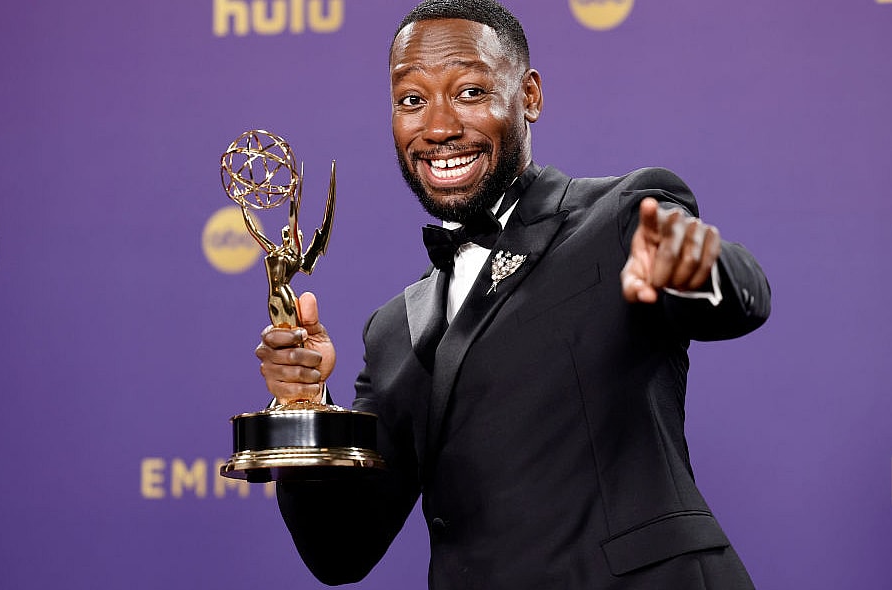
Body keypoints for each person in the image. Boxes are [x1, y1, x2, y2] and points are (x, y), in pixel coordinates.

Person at [254, 1, 770, 587]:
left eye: (470, 92)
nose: (439, 127)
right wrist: (304, 405)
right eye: (412, 100)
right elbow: (340, 552)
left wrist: (694, 268)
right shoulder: (393, 331)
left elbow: (739, 294)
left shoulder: (619, 217)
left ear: (529, 96)